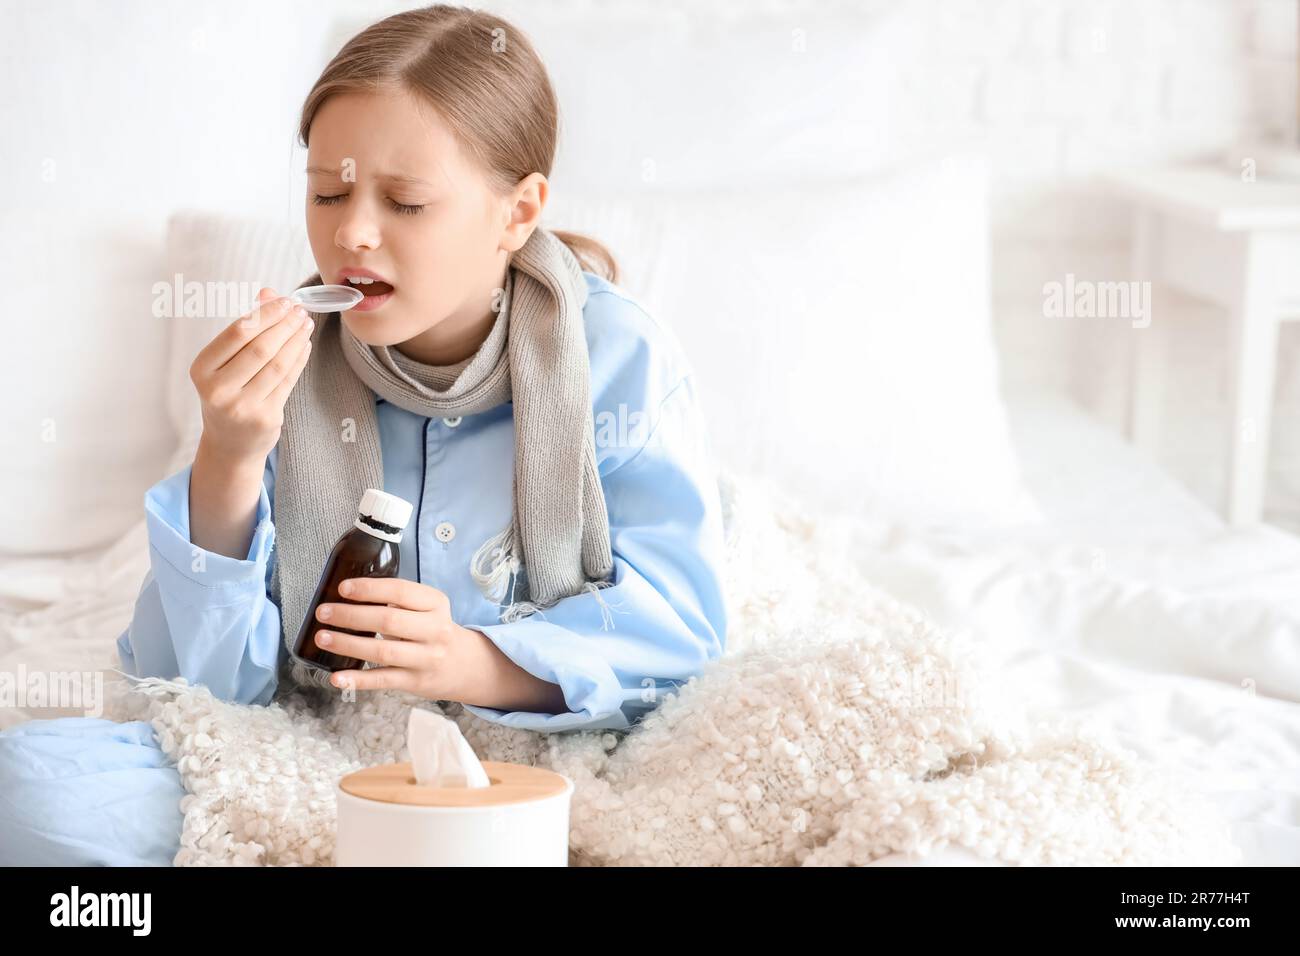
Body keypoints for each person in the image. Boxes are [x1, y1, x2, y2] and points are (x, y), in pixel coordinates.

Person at [0, 4, 727, 866]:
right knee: (35, 789)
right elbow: (198, 694)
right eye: (328, 193)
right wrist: (227, 461)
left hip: (544, 755)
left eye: (407, 201)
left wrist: (478, 661)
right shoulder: (293, 373)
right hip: (317, 755)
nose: (350, 233)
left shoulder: (617, 358)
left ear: (517, 211)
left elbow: (680, 633)